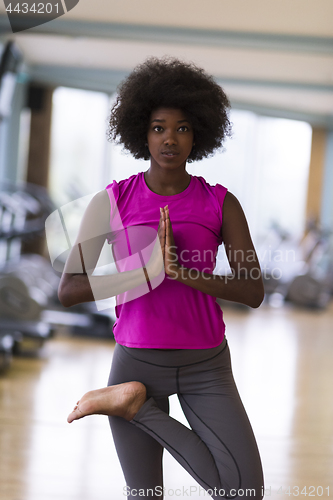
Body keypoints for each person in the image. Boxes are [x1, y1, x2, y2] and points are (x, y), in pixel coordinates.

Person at [58, 57, 265, 500]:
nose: (170, 138)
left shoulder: (220, 203)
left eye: (183, 128)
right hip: (135, 361)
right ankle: (131, 400)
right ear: (141, 131)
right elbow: (70, 289)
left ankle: (133, 407)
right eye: (158, 127)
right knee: (145, 495)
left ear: (199, 135)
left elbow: (252, 290)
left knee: (244, 491)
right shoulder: (110, 201)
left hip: (206, 366)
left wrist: (184, 274)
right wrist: (144, 273)